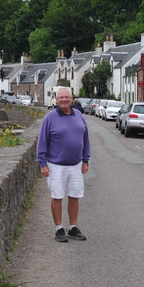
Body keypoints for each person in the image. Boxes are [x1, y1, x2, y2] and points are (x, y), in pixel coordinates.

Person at [37, 87, 90, 242]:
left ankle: (73, 227)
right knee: (57, 196)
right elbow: (42, 142)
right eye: (61, 97)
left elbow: (85, 138)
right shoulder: (49, 118)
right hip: (56, 165)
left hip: (76, 164)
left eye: (67, 97)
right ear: (56, 100)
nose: (64, 100)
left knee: (74, 196)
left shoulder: (79, 115)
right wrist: (42, 163)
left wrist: (86, 160)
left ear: (72, 98)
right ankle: (59, 229)